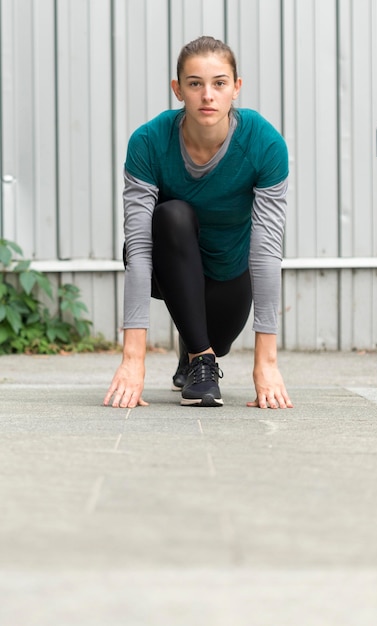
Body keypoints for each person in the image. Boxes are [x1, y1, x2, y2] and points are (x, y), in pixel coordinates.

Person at [104, 35, 293, 410]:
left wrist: (267, 363)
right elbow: (140, 249)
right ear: (178, 90)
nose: (208, 95)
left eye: (219, 83)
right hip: (171, 266)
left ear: (236, 89)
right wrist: (132, 359)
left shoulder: (265, 144)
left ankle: (194, 348)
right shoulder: (148, 142)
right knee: (171, 215)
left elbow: (267, 250)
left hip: (228, 273)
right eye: (195, 84)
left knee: (217, 339)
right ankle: (201, 360)